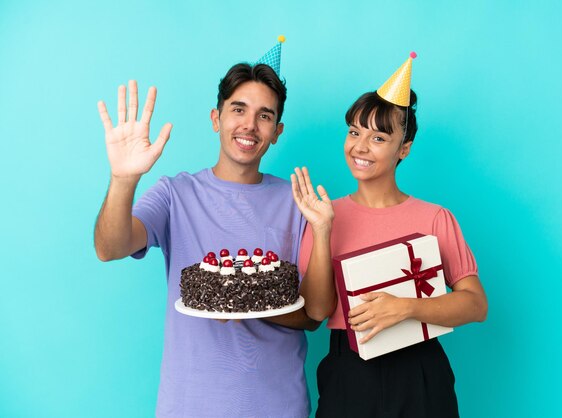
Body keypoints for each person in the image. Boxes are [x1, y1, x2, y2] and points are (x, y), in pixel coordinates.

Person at [94, 39, 317, 417]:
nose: (249, 124)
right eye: (238, 109)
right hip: (190, 405)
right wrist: (122, 180)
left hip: (278, 405)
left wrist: (240, 301)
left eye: (264, 115)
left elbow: (312, 315)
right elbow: (109, 247)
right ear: (216, 118)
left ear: (277, 130)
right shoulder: (175, 193)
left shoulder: (298, 201)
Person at [291, 53, 488, 417]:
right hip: (348, 370)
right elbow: (317, 311)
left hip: (421, 371)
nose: (361, 147)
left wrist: (408, 308)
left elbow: (476, 304)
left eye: (379, 137)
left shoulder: (435, 218)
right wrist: (321, 231)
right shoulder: (323, 215)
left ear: (404, 149)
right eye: (354, 132)